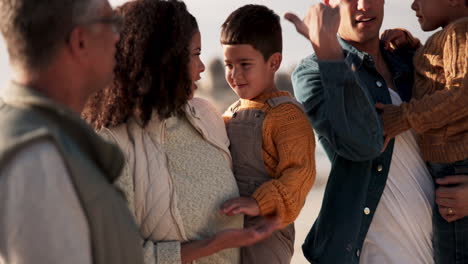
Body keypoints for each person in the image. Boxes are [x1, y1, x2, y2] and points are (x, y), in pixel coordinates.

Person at [82, 1, 278, 263]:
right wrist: (209, 246)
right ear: (164, 60)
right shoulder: (110, 145)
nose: (202, 68)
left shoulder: (207, 115)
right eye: (195, 54)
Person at [286, 0, 434, 263]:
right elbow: (363, 143)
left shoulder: (409, 60)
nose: (364, 6)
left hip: (444, 246)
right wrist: (328, 51)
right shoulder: (312, 73)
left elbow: (455, 130)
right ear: (328, 4)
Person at [0, 0, 144, 263]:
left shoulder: (49, 140)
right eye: (110, 23)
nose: (117, 38)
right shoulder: (36, 160)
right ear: (79, 41)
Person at [219, 5, 316, 264]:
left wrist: (258, 203)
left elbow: (300, 175)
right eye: (229, 64)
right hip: (230, 224)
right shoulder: (231, 112)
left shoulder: (287, 115)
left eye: (244, 64)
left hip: (269, 229)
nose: (234, 74)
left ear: (274, 62)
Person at [376, 0, 468, 262]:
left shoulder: (460, 32)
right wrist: (415, 49)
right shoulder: (453, 34)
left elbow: (460, 94)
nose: (414, 5)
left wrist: (402, 117)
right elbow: (443, 76)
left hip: (455, 170)